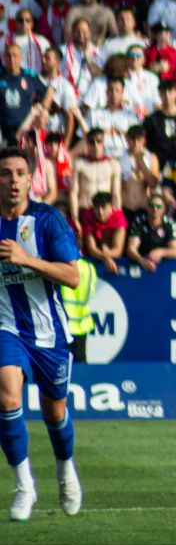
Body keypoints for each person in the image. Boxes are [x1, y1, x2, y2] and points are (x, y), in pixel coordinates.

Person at [0, 146, 86, 521]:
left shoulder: (48, 219)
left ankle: (65, 469)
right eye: (6, 173)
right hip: (6, 328)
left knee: (55, 411)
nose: (13, 180)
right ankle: (24, 486)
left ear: (31, 177)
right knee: (6, 395)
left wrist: (26, 259)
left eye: (20, 172)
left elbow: (72, 276)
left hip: (49, 334)